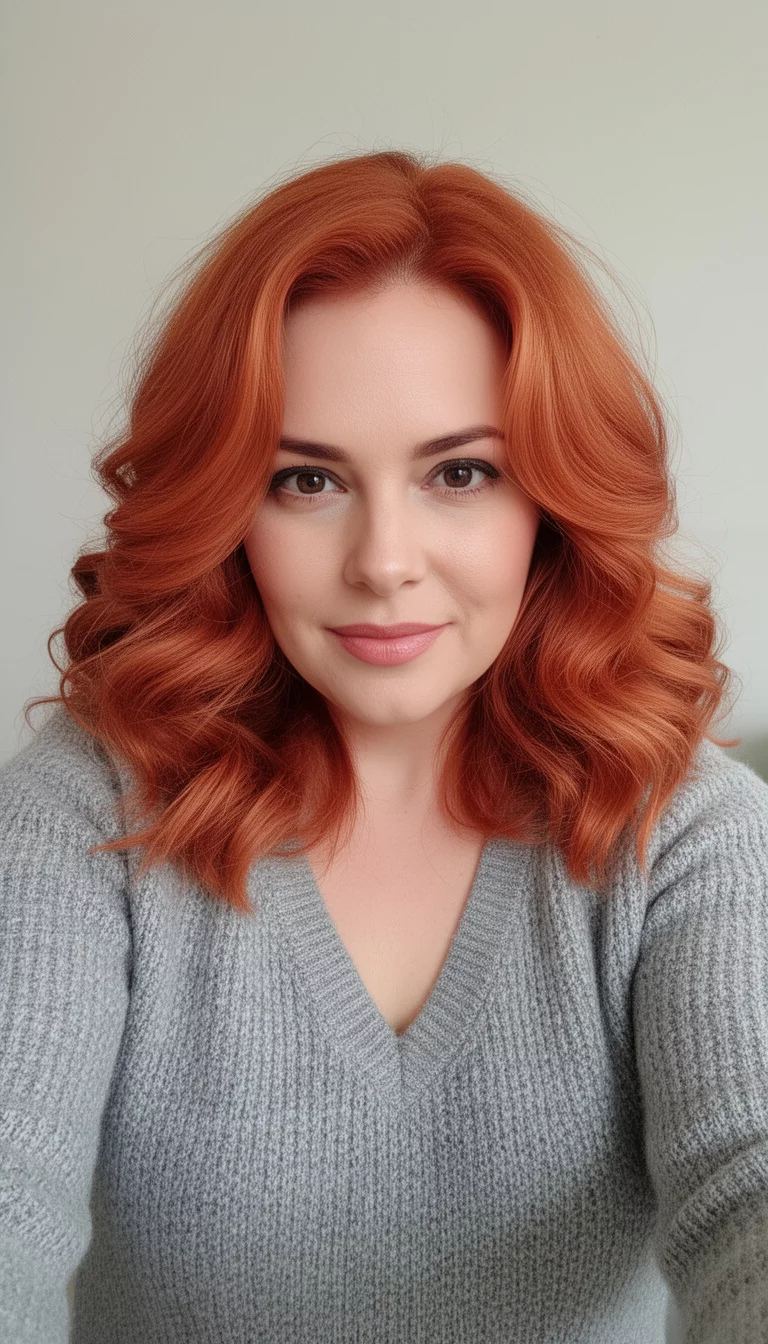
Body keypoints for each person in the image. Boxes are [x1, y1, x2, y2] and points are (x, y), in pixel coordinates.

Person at [1, 148, 766, 1344]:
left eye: (460, 472)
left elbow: (749, 1187)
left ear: (552, 501)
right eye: (307, 479)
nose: (385, 560)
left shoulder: (689, 829)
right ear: (224, 505)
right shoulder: (88, 805)